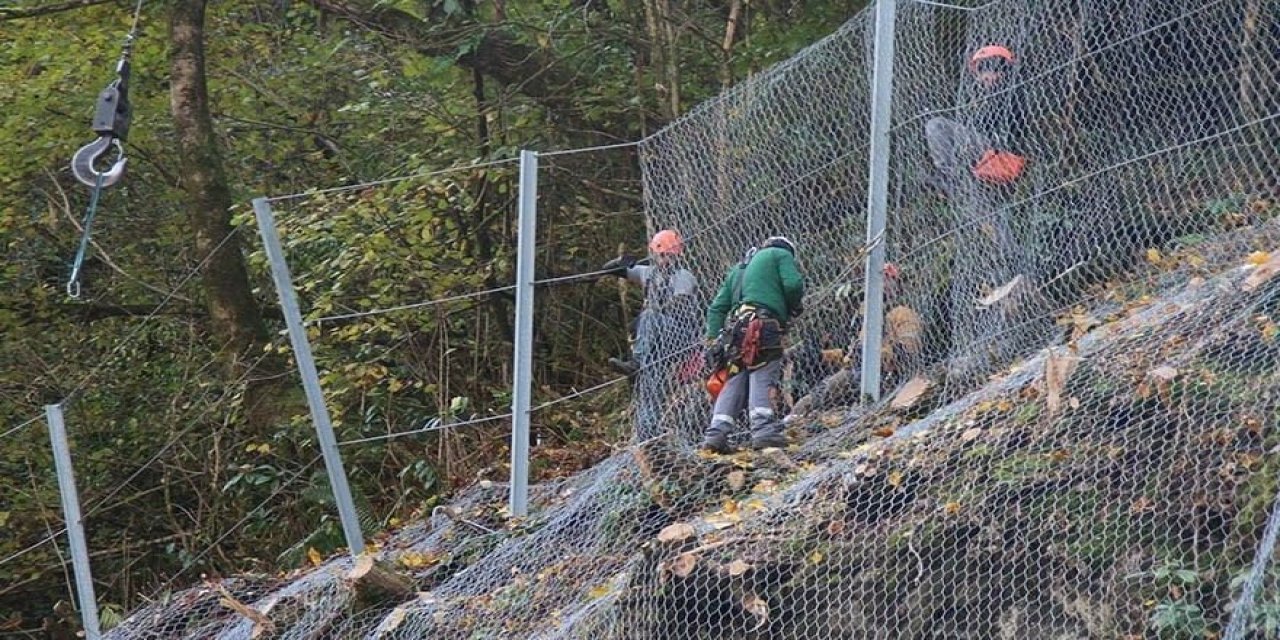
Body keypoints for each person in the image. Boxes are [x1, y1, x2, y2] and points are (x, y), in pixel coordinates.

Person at [923, 44, 1044, 385]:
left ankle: (949, 174)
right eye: (982, 70)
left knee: (936, 126)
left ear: (1005, 69)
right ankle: (954, 178)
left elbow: (1001, 121)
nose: (987, 76)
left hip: (1003, 154)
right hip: (991, 159)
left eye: (992, 68)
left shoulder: (1012, 91)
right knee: (986, 216)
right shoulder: (989, 98)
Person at [701, 236, 806, 453]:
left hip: (736, 332)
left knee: (735, 378)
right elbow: (793, 284)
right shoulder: (780, 253)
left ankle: (716, 434)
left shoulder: (740, 271)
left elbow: (716, 308)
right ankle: (763, 431)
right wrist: (793, 306)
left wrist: (713, 339)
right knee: (763, 371)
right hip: (762, 326)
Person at [600, 229, 699, 438]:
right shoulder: (649, 272)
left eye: (669, 256)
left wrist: (653, 311)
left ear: (677, 256)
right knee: (649, 381)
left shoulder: (683, 276)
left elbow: (679, 305)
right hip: (657, 344)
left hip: (680, 334)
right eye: (661, 255)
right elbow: (608, 270)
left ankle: (636, 360)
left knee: (649, 316)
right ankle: (648, 434)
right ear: (654, 254)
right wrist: (621, 262)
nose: (665, 260)